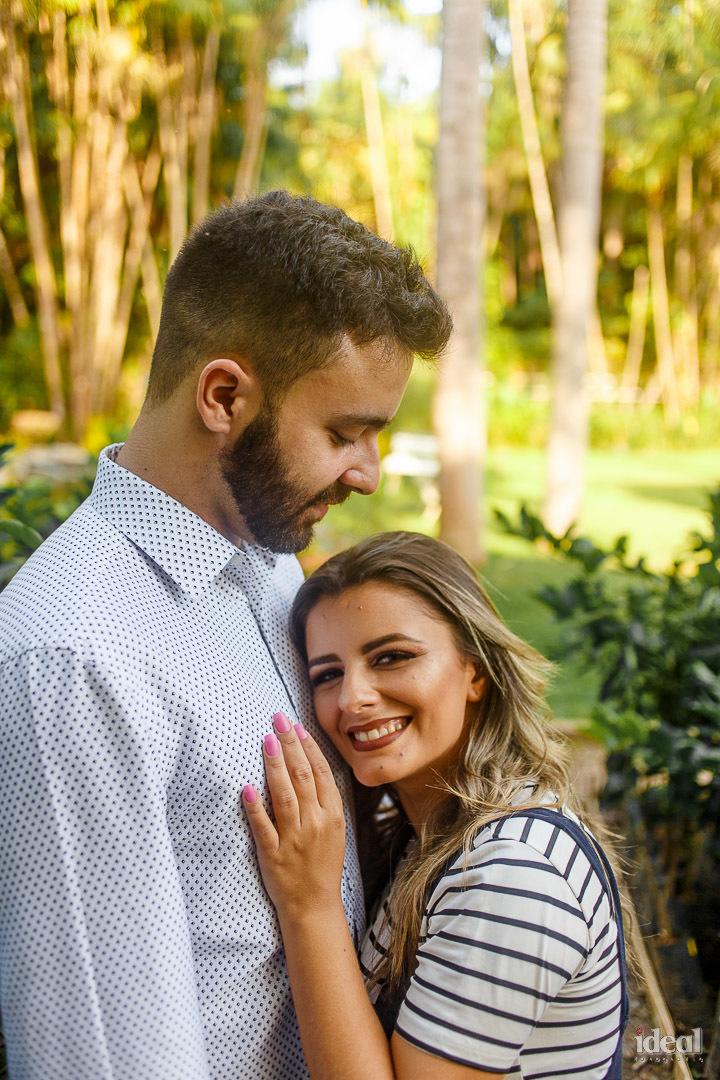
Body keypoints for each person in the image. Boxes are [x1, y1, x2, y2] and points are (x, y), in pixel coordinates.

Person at [0, 193, 452, 1080]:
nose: (367, 473)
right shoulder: (75, 661)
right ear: (223, 396)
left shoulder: (271, 561)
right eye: (344, 432)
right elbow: (103, 1056)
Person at [243, 531, 629, 1080]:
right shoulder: (433, 832)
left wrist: (310, 906)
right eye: (328, 674)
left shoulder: (511, 875)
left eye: (392, 657)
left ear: (475, 671)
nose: (352, 697)